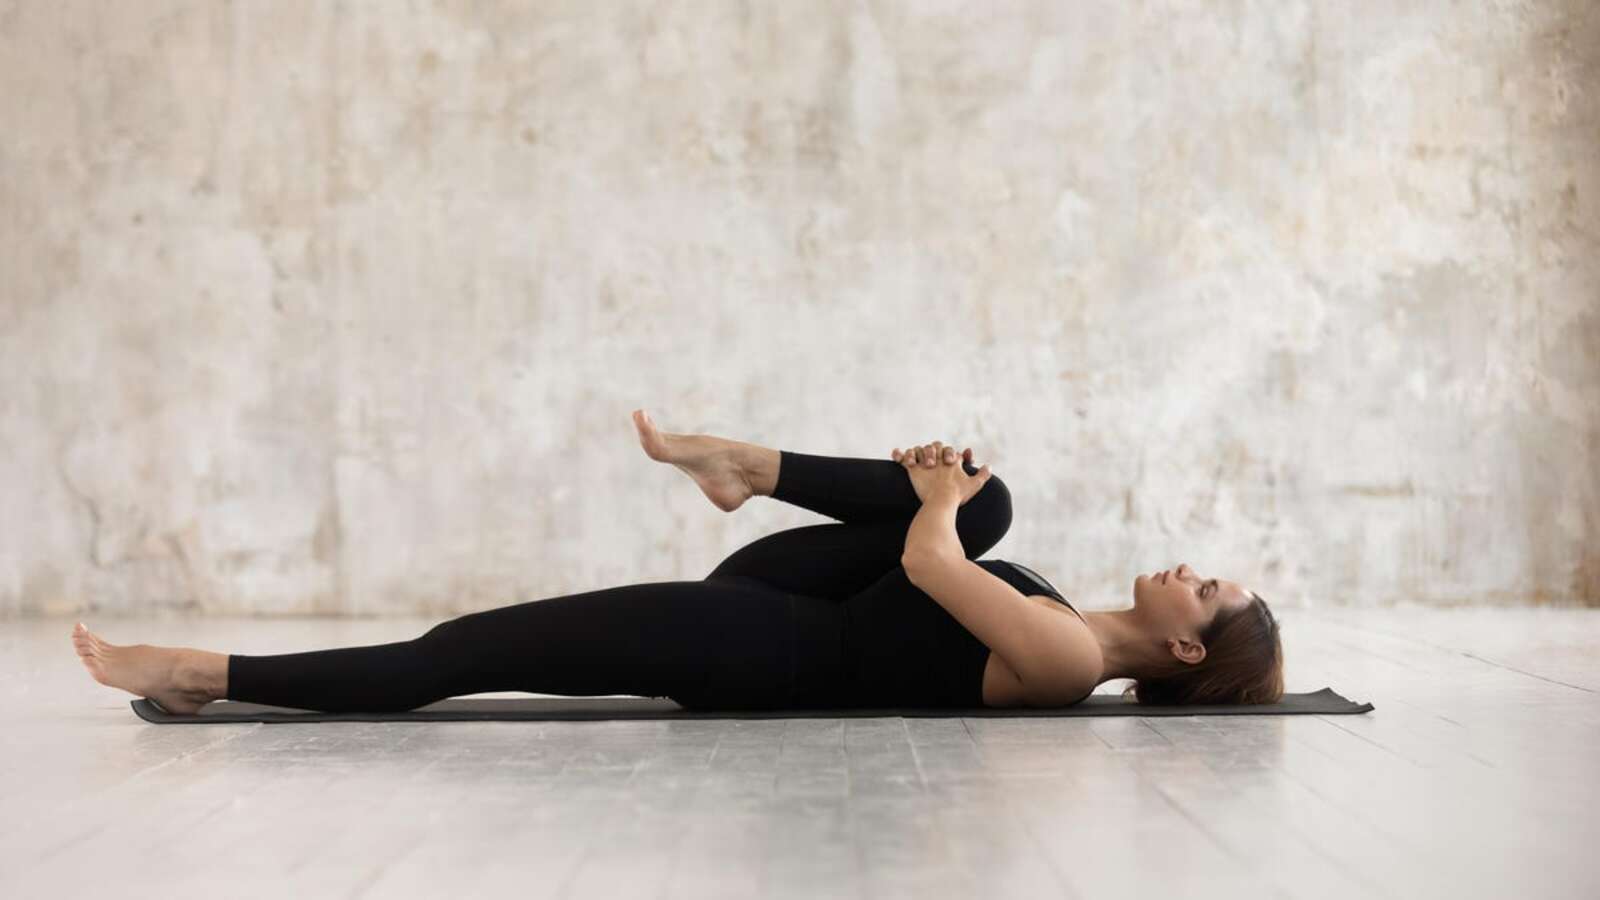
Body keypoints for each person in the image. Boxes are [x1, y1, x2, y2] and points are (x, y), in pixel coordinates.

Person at [70, 409, 1282, 714]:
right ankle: (741, 465)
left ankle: (204, 674)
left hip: (761, 650)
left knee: (466, 654)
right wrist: (956, 492)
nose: (1192, 567)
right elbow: (931, 546)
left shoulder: (1067, 662)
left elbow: (926, 568)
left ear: (1186, 648)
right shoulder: (1064, 610)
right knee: (994, 496)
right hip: (792, 602)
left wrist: (934, 500)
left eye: (1209, 589)